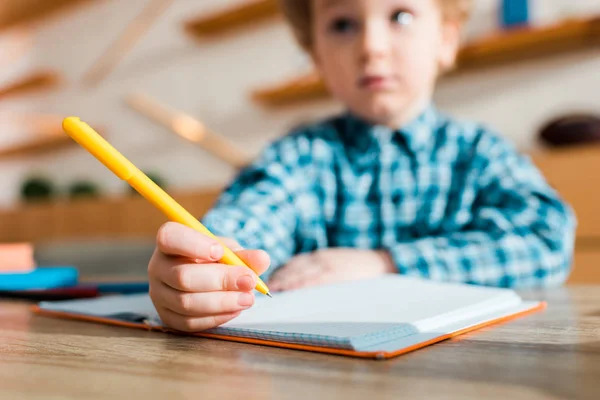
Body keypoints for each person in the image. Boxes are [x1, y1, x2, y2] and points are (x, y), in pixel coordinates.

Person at [148, 0, 576, 332]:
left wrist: (385, 262)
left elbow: (546, 240)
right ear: (315, 57)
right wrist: (209, 264)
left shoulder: (479, 152)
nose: (371, 47)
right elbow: (251, 217)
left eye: (401, 16)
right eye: (343, 24)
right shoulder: (297, 158)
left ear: (446, 40)